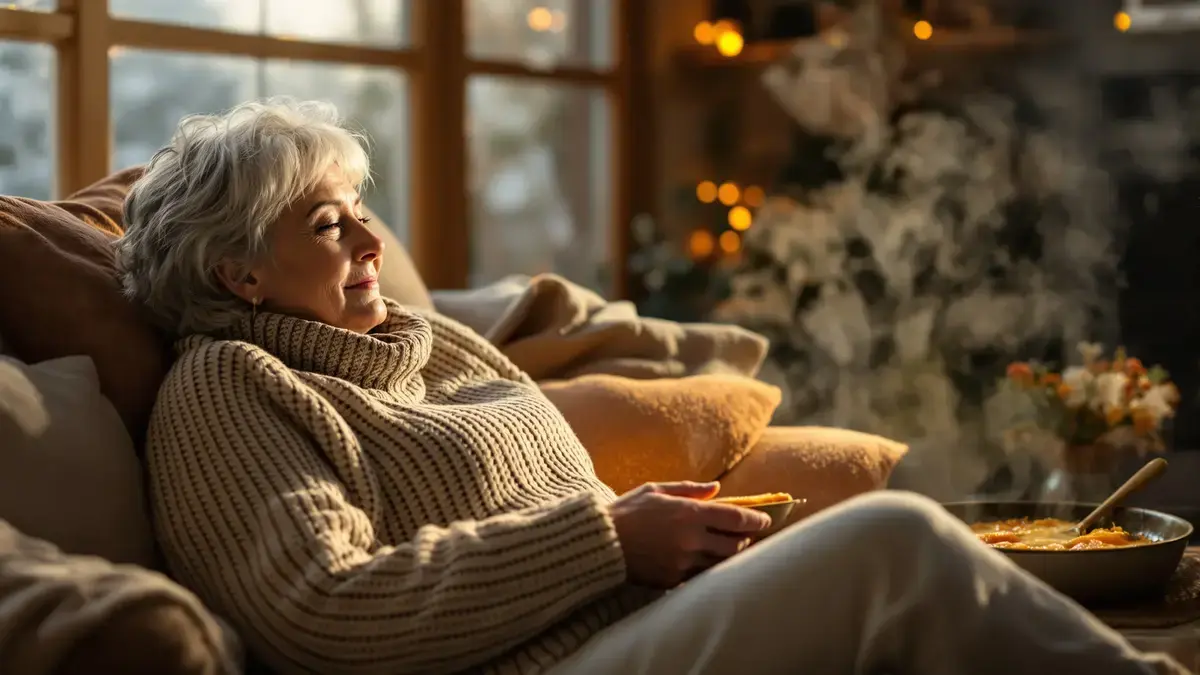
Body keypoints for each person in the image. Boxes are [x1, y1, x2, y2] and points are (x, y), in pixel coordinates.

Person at [117, 98, 1188, 675]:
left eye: (360, 208)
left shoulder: (431, 346)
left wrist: (675, 543)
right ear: (237, 273)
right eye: (326, 223)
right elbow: (322, 614)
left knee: (890, 567)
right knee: (892, 541)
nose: (368, 238)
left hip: (629, 623)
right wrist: (608, 541)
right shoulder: (228, 386)